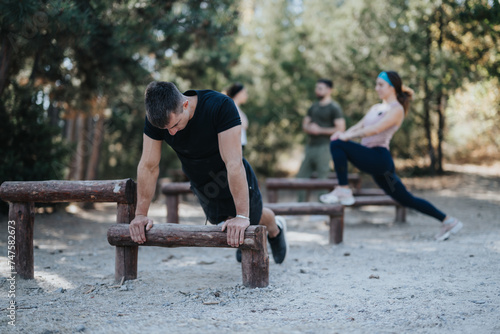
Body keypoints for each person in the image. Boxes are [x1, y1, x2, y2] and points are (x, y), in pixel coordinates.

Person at [129, 81, 288, 263]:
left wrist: (242, 216)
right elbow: (148, 166)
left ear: (185, 104)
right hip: (201, 180)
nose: (171, 133)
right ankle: (241, 225)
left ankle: (275, 230)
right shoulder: (157, 119)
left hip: (230, 172)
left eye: (175, 125)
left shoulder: (220, 105)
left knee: (252, 217)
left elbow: (233, 163)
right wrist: (140, 215)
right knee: (222, 220)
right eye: (166, 129)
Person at [319, 71, 463, 241]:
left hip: (379, 158)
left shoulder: (397, 110)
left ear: (392, 87)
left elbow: (375, 129)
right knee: (406, 199)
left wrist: (345, 138)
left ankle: (343, 189)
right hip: (376, 164)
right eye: (376, 84)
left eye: (381, 85)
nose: (376, 88)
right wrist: (342, 134)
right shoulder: (376, 108)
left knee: (338, 145)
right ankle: (449, 221)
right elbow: (360, 126)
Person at [296, 79, 345, 200]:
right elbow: (305, 125)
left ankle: (321, 208)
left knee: (322, 178)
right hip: (310, 147)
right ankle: (299, 207)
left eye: (320, 88)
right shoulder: (313, 106)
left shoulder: (334, 107)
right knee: (301, 177)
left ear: (329, 90)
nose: (317, 91)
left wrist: (320, 130)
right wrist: (310, 128)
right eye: (316, 88)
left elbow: (341, 129)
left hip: (325, 147)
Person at [226, 83, 249, 152]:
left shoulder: (236, 107)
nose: (246, 96)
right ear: (238, 93)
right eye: (244, 93)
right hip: (235, 146)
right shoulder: (231, 107)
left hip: (239, 145)